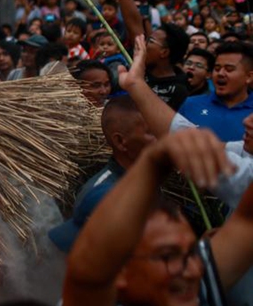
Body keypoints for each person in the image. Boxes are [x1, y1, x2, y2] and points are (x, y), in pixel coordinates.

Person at [63, 128, 253, 306]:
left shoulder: (193, 287)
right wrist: (152, 162)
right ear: (119, 269)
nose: (194, 271)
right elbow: (86, 274)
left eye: (193, 252)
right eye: (168, 256)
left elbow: (248, 220)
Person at [48, 96, 156, 252]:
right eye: (151, 132)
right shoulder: (99, 195)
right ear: (120, 141)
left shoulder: (153, 179)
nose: (161, 137)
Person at [178, 41, 253, 142]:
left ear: (249, 77)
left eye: (229, 69)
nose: (220, 73)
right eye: (217, 68)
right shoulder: (191, 104)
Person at [145, 23, 190, 110]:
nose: (144, 44)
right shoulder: (139, 74)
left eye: (150, 41)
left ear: (164, 52)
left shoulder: (179, 92)